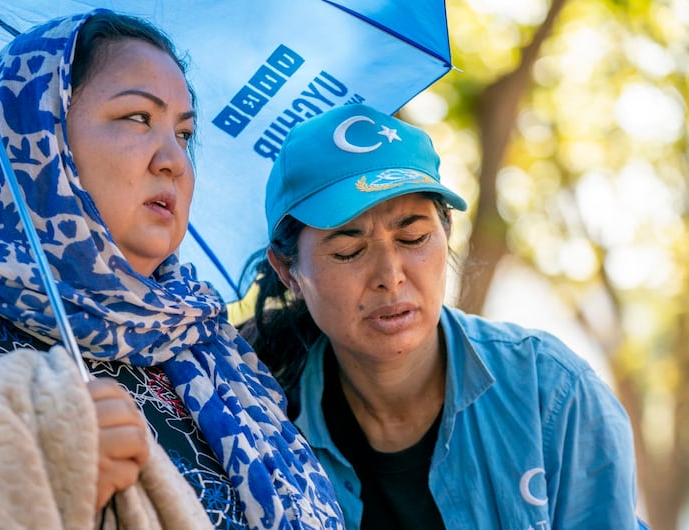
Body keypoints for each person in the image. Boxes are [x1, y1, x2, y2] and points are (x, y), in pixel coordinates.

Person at [0, 10, 343, 529]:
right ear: (36, 136)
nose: (173, 159)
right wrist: (33, 471)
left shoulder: (209, 346)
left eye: (185, 132)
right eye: (137, 118)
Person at [240, 103, 648, 529]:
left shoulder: (552, 393)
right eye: (350, 250)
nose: (390, 277)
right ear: (289, 271)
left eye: (413, 237)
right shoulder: (254, 426)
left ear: (447, 230)